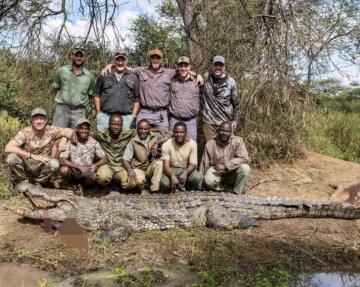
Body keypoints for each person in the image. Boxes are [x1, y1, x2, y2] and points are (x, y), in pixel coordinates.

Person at [102, 49, 203, 130]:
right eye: (153, 58)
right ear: (150, 59)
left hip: (161, 114)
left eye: (158, 58)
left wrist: (198, 75)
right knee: (141, 140)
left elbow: (183, 70)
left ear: (161, 60)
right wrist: (111, 65)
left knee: (162, 142)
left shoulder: (169, 72)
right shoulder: (141, 71)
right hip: (145, 112)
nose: (155, 60)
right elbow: (124, 67)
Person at [5, 108, 75, 186]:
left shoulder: (52, 130)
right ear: (32, 121)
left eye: (41, 119)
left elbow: (70, 131)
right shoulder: (25, 132)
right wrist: (32, 156)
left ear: (46, 120)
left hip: (42, 165)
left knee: (54, 164)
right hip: (27, 164)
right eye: (36, 119)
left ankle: (38, 182)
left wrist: (64, 139)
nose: (39, 121)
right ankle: (23, 181)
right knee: (11, 158)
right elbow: (8, 147)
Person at [58, 118, 108, 195]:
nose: (84, 131)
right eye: (81, 128)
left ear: (89, 130)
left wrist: (95, 165)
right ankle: (72, 184)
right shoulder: (71, 141)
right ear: (77, 129)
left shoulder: (94, 142)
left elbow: (104, 159)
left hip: (88, 170)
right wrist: (78, 166)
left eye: (86, 129)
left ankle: (82, 185)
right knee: (63, 170)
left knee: (95, 177)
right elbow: (61, 159)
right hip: (74, 169)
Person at [93, 49, 140, 130]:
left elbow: (137, 98)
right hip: (105, 117)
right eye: (118, 60)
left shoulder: (133, 77)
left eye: (123, 60)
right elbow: (96, 94)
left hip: (125, 118)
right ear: (114, 61)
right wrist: (98, 113)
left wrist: (132, 116)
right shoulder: (104, 75)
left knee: (123, 142)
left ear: (126, 61)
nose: (120, 62)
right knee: (103, 141)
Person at [199, 121, 250, 194]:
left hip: (232, 171)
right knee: (208, 180)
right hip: (217, 172)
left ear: (231, 132)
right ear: (218, 130)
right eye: (222, 130)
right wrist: (201, 183)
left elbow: (244, 158)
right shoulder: (210, 144)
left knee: (245, 168)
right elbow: (204, 164)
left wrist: (226, 165)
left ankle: (237, 191)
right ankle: (225, 189)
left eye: (227, 131)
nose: (224, 133)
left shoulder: (238, 141)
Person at [52, 44, 95, 129]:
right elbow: (55, 88)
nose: (78, 58)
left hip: (79, 112)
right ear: (72, 56)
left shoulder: (89, 76)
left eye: (81, 56)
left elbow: (91, 95)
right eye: (76, 55)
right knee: (56, 135)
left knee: (77, 138)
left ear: (85, 58)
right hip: (62, 110)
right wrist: (64, 100)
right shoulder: (62, 71)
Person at [121, 119, 170, 193]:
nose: (143, 131)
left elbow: (170, 135)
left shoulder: (155, 136)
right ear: (137, 129)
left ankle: (155, 190)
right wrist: (129, 170)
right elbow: (125, 159)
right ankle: (142, 189)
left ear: (149, 129)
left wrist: (157, 143)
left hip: (150, 168)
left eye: (145, 129)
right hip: (138, 168)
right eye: (141, 129)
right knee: (139, 181)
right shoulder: (133, 141)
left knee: (159, 163)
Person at [202, 55, 240, 143]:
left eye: (221, 65)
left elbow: (236, 104)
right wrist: (197, 75)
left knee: (227, 150)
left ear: (224, 67)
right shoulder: (206, 77)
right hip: (209, 122)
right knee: (211, 149)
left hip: (225, 123)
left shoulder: (231, 82)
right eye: (216, 65)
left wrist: (235, 121)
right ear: (212, 66)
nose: (218, 68)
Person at [92, 114, 136, 188]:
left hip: (121, 166)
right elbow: (85, 134)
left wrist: (157, 132)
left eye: (118, 125)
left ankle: (117, 184)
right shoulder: (101, 134)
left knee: (131, 183)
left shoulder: (128, 133)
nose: (116, 127)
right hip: (107, 165)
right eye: (113, 124)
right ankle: (105, 186)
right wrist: (72, 134)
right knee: (103, 177)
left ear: (122, 125)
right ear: (109, 124)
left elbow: (143, 131)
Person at [160, 121, 202, 192]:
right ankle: (172, 190)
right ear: (173, 132)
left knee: (197, 177)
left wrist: (185, 172)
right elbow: (166, 166)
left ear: (186, 133)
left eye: (182, 132)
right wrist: (172, 176)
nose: (179, 134)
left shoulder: (192, 143)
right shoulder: (166, 144)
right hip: (171, 169)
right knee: (164, 183)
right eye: (176, 132)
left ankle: (187, 189)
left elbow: (193, 164)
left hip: (185, 169)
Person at [168, 56, 200, 141]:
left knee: (191, 145)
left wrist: (198, 75)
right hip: (174, 120)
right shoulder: (172, 82)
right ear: (177, 67)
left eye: (185, 66)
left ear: (189, 67)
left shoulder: (197, 82)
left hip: (190, 122)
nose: (183, 68)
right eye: (181, 66)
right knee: (172, 145)